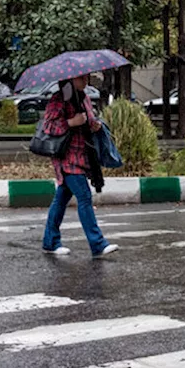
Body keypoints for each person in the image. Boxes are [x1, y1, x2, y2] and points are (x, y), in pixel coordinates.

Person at [40, 75, 119, 259]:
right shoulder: (58, 99)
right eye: (81, 78)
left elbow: (88, 121)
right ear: (70, 80)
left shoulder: (83, 98)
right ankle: (97, 243)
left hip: (82, 156)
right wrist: (70, 122)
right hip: (66, 157)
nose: (85, 81)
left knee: (61, 199)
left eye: (87, 77)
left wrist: (94, 125)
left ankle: (50, 241)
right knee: (84, 196)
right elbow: (49, 127)